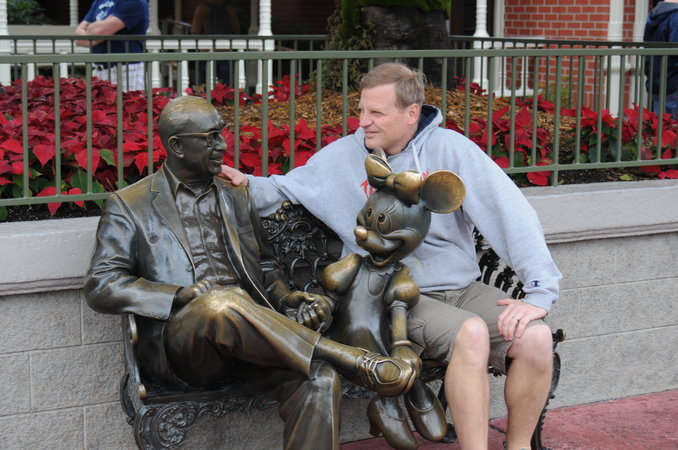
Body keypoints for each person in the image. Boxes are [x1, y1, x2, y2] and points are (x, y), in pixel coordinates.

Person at [221, 62, 562, 450]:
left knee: (535, 338)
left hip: (461, 287)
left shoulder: (451, 150)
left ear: (411, 113)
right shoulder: (342, 157)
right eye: (362, 110)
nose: (363, 121)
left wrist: (539, 291)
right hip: (393, 297)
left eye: (377, 113)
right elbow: (283, 190)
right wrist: (244, 183)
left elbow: (509, 213)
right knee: (471, 333)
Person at [83, 95, 417, 450]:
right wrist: (179, 295)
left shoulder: (235, 194)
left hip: (253, 340)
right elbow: (102, 284)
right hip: (186, 349)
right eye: (210, 137)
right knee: (219, 302)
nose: (221, 145)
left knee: (319, 380)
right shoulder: (129, 205)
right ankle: (348, 357)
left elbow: (266, 263)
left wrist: (286, 299)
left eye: (221, 133)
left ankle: (332, 360)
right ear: (177, 146)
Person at [75, 0, 149, 91]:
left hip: (126, 70)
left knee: (126, 100)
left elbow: (97, 33)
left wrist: (91, 28)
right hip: (99, 69)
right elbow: (78, 39)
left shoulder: (134, 2)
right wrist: (99, 28)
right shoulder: (99, 1)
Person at [191, 0, 241, 86]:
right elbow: (235, 28)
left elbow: (195, 30)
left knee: (204, 81)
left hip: (206, 49)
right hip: (225, 48)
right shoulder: (229, 9)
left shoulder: (202, 9)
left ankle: (203, 93)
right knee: (225, 82)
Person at [643, 0, 678, 120]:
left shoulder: (654, 14)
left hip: (655, 76)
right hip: (673, 79)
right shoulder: (676, 15)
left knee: (660, 123)